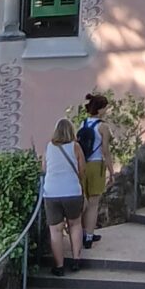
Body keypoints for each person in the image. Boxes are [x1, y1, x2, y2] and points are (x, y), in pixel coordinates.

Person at [41, 115, 86, 271]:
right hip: (72, 191)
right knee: (75, 225)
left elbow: (44, 170)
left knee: (55, 230)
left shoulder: (48, 147)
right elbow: (82, 170)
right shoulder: (76, 147)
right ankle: (76, 260)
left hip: (51, 192)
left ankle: (59, 266)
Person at [77, 91, 111, 243]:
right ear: (101, 109)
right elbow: (105, 150)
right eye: (105, 108)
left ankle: (83, 232)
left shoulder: (82, 123)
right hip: (96, 164)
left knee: (84, 200)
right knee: (93, 203)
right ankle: (89, 236)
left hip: (83, 164)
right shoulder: (103, 127)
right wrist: (111, 170)